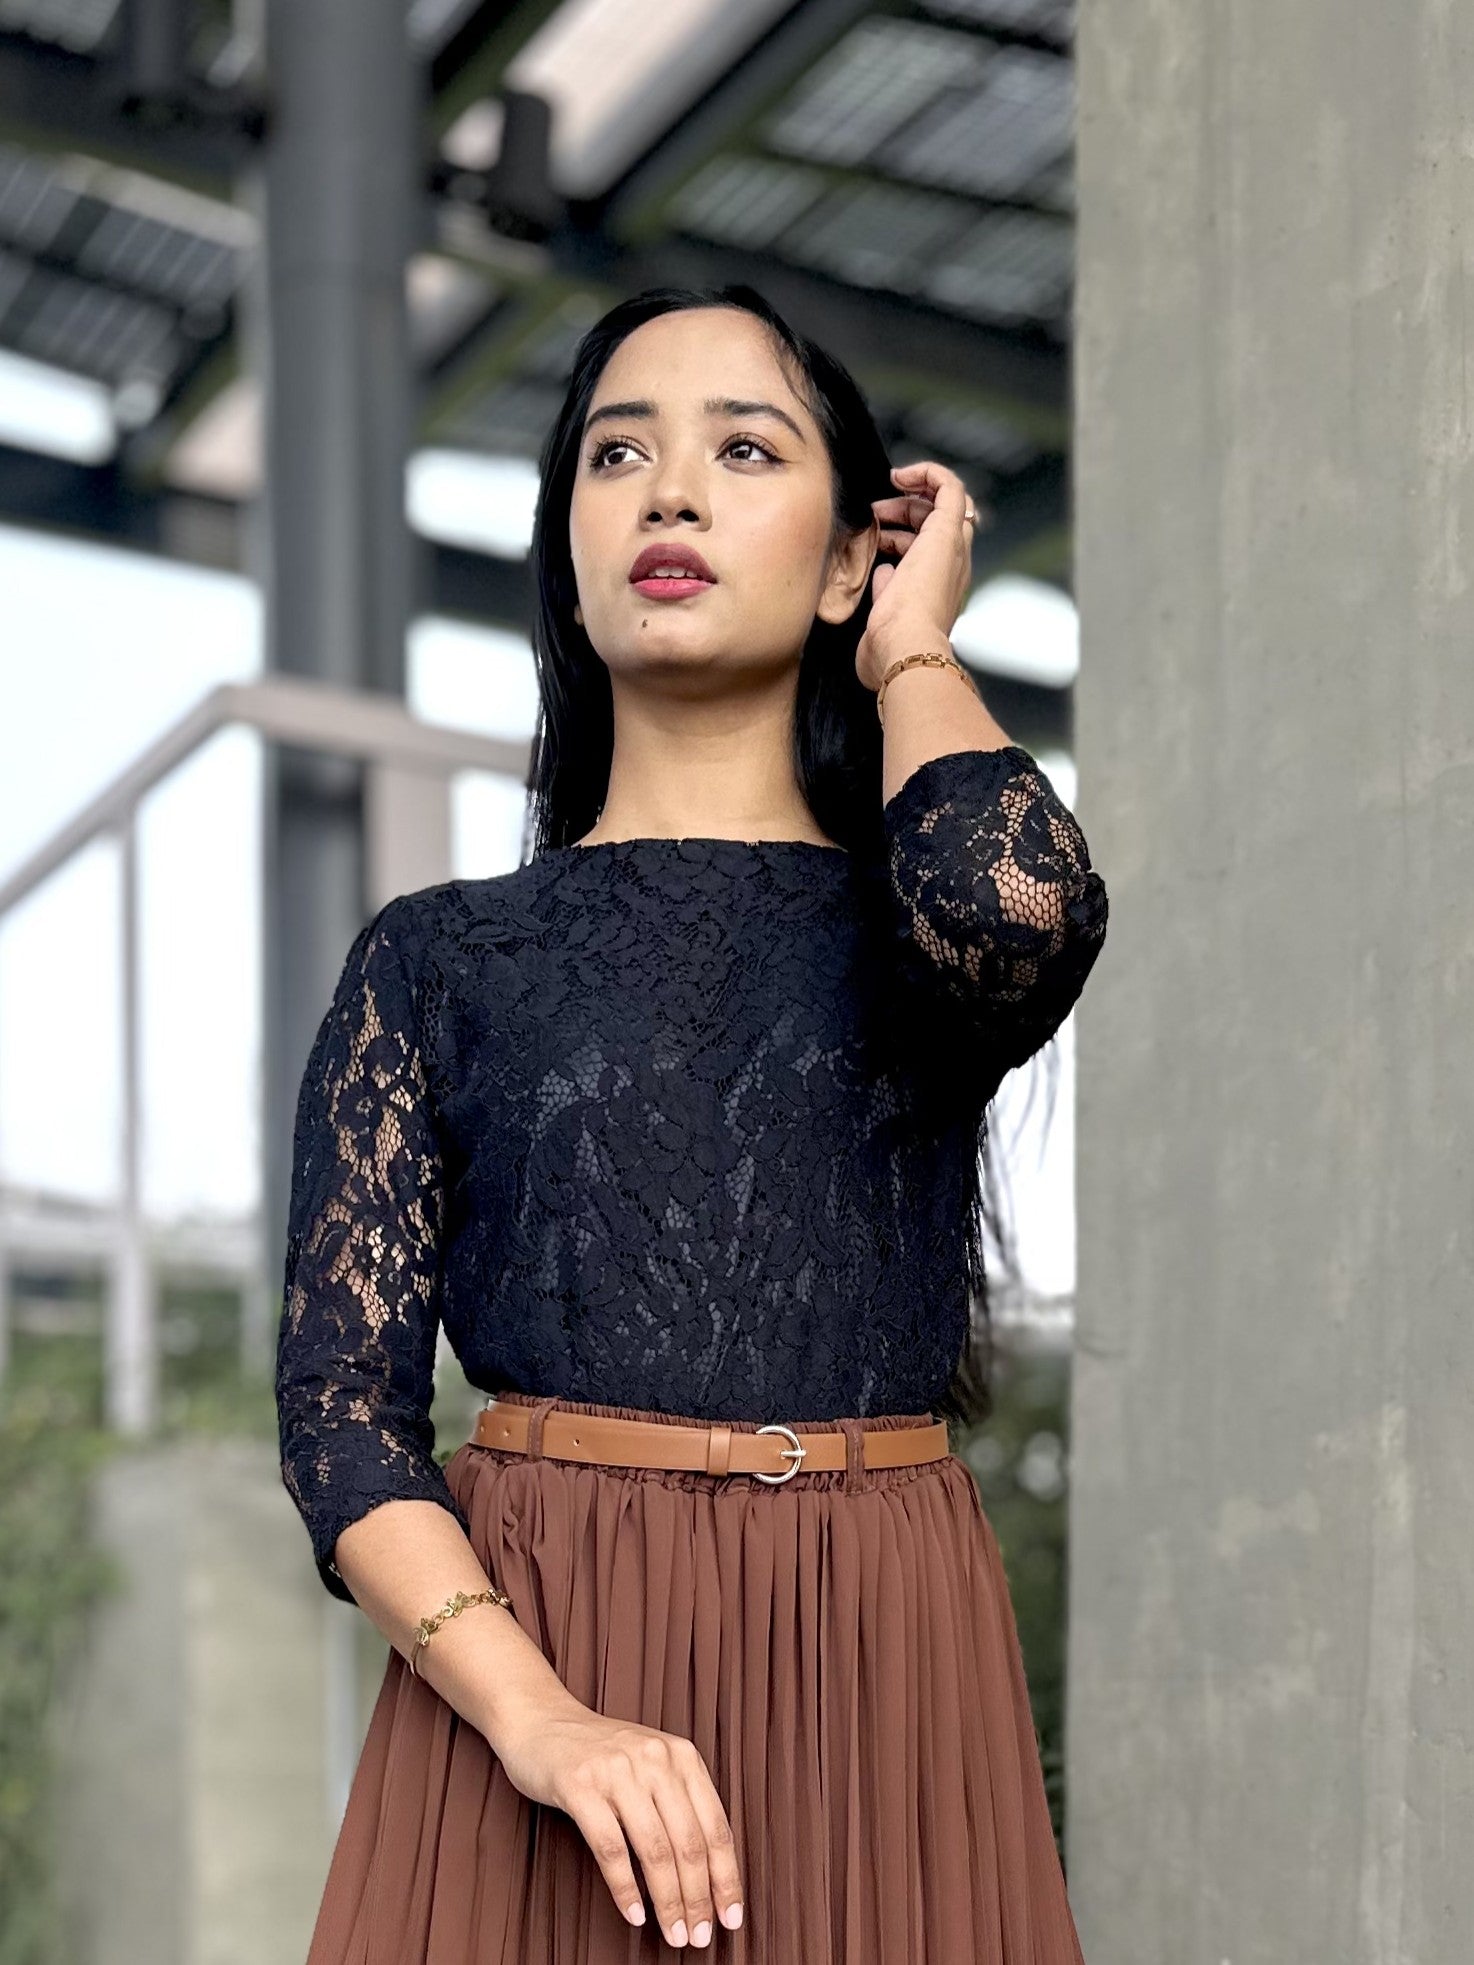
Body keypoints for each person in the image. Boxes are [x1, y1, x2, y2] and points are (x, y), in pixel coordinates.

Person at [275, 281, 1109, 1962]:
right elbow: (338, 1410)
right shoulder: (440, 958)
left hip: (881, 1644)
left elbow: (1022, 905)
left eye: (744, 447)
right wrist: (540, 1722)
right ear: (569, 562)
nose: (668, 491)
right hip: (542, 1655)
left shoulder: (913, 931)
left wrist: (915, 650)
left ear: (835, 561)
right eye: (616, 453)